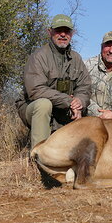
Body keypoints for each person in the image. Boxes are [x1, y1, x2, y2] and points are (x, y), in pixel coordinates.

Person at [16, 14, 91, 148]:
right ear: (49, 32)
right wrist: (69, 101)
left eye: (67, 31)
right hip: (32, 107)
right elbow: (36, 91)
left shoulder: (76, 58)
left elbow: (84, 87)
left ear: (72, 33)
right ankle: (38, 156)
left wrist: (79, 102)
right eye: (58, 30)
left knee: (87, 110)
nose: (63, 34)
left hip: (63, 108)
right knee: (44, 105)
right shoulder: (39, 56)